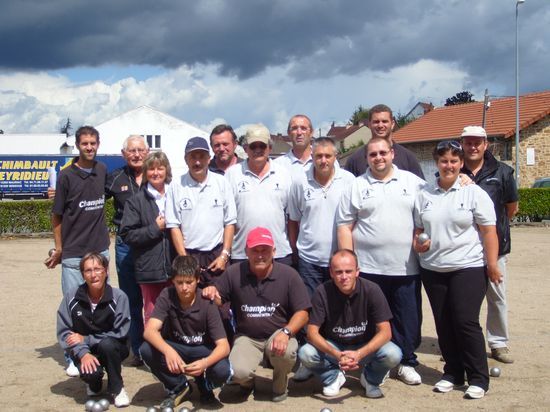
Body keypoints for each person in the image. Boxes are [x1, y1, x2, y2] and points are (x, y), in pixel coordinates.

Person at [413, 140, 501, 399]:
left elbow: (489, 231)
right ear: (436, 163)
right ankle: (452, 372)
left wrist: (492, 263)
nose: (448, 165)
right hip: (433, 268)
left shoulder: (473, 192)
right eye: (443, 161)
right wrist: (419, 242)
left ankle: (478, 377)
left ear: (461, 163)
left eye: (453, 161)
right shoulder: (425, 193)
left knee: (465, 321)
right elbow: (418, 229)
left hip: (468, 267)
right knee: (444, 323)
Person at [336, 137, 426, 385]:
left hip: (405, 267)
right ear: (366, 158)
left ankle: (407, 361)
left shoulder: (414, 183)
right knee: (375, 320)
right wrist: (350, 264)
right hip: (369, 269)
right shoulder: (356, 186)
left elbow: (426, 216)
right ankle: (381, 362)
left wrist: (464, 178)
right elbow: (344, 225)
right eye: (373, 154)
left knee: (408, 319)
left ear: (393, 153)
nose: (378, 158)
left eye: (382, 153)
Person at [202, 227, 311, 402]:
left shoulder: (289, 275)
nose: (260, 255)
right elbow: (219, 298)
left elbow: (303, 312)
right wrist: (211, 292)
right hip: (247, 337)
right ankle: (247, 383)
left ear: (274, 251)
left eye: (265, 250)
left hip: (278, 334)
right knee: (237, 371)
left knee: (288, 351)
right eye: (255, 250)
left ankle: (280, 386)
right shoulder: (234, 272)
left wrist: (287, 332)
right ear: (246, 251)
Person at [46, 125, 110, 377]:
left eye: (93, 143)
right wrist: (60, 248)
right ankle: (73, 356)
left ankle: (98, 352)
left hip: (101, 250)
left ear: (98, 144)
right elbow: (56, 216)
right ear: (78, 145)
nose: (90, 147)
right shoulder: (65, 177)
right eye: (85, 143)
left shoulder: (103, 170)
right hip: (74, 253)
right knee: (75, 306)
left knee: (101, 305)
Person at [298, 249, 402, 399]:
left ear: (357, 271)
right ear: (331, 273)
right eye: (339, 272)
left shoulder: (372, 290)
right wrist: (337, 355)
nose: (344, 277)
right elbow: (312, 332)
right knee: (306, 353)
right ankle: (332, 377)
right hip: (334, 346)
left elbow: (385, 332)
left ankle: (371, 378)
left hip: (365, 345)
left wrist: (359, 354)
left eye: (348, 271)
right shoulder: (322, 292)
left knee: (393, 354)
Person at [460, 126, 519, 364]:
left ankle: (498, 342)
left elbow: (511, 208)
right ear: (462, 144)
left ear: (486, 145)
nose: (473, 147)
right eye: (468, 143)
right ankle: (461, 343)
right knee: (465, 300)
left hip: (496, 249)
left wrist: (494, 233)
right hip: (464, 250)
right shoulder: (454, 169)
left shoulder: (502, 172)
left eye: (477, 143)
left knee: (497, 297)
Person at [140, 255, 231, 408]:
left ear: (197, 280)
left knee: (222, 370)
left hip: (203, 349)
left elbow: (224, 346)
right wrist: (168, 351)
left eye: (189, 282)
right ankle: (179, 386)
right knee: (146, 349)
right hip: (177, 347)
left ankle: (205, 386)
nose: (184, 287)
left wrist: (204, 363)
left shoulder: (207, 301)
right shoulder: (167, 295)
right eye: (179, 282)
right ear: (173, 281)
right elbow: (149, 331)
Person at [56, 252, 130, 407]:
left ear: (106, 271)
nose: (93, 274)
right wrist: (83, 353)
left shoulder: (119, 297)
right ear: (82, 275)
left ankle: (117, 388)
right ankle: (94, 384)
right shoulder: (71, 296)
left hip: (113, 348)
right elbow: (65, 332)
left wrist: (87, 339)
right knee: (92, 373)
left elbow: (120, 332)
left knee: (107, 345)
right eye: (88, 270)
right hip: (84, 350)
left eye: (97, 269)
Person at [166, 136, 237, 287]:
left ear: (209, 158)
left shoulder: (221, 182)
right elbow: (173, 226)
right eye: (193, 157)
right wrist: (185, 260)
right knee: (190, 305)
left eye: (202, 157)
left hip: (216, 254)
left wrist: (224, 255)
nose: (197, 162)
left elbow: (230, 222)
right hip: (189, 254)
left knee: (219, 304)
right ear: (186, 159)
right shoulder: (176, 186)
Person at [288, 137, 355, 295]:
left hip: (340, 261)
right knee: (312, 312)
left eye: (328, 156)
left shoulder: (349, 181)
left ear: (335, 156)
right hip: (309, 261)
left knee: (338, 312)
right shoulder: (300, 182)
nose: (323, 161)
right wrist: (295, 252)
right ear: (312, 156)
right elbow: (293, 220)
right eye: (319, 156)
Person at [105, 135, 150, 366]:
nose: (136, 154)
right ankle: (138, 350)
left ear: (148, 151)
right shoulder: (114, 178)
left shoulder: (158, 176)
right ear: (124, 154)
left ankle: (155, 349)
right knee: (132, 300)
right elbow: (90, 200)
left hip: (153, 245)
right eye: (131, 151)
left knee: (154, 299)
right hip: (125, 245)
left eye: (140, 150)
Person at [225, 124, 293, 264]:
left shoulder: (284, 174)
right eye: (253, 146)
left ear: (270, 148)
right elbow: (225, 218)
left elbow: (292, 217)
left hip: (278, 252)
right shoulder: (231, 174)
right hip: (242, 253)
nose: (258, 150)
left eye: (262, 146)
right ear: (245, 149)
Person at [119, 151, 175, 324]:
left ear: (167, 171)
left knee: (176, 314)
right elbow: (127, 234)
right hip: (150, 269)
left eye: (160, 168)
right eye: (151, 169)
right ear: (145, 172)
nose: (156, 173)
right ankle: (152, 351)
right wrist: (155, 228)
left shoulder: (176, 194)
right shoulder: (135, 201)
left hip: (175, 267)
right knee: (153, 315)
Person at [344, 104, 424, 179]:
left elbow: (420, 191)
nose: (380, 125)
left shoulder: (408, 158)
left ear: (392, 124)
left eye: (384, 121)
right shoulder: (355, 160)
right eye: (376, 122)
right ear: (369, 125)